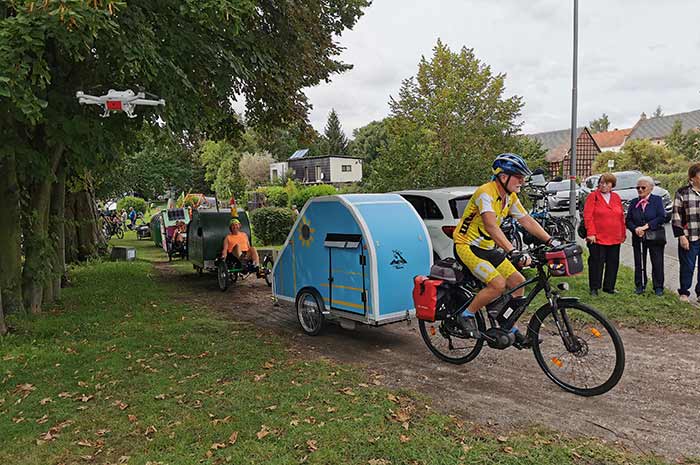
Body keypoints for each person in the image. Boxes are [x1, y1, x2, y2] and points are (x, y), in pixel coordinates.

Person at [453, 153, 555, 346]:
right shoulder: (486, 192)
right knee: (498, 285)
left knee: (518, 282)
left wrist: (551, 241)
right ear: (503, 176)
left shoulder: (510, 197)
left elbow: (526, 220)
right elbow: (491, 225)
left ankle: (507, 324)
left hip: (487, 247)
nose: (522, 182)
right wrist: (512, 250)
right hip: (467, 245)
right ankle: (466, 315)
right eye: (518, 177)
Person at [583, 173, 626, 296]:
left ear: (612, 185)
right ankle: (594, 287)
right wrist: (591, 233)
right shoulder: (593, 196)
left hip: (614, 236)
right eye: (601, 182)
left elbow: (621, 216)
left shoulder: (616, 197)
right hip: (597, 237)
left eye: (606, 183)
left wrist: (622, 233)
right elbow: (588, 216)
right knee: (597, 262)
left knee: (613, 262)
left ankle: (609, 286)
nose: (603, 185)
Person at [626, 176, 666, 296]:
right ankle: (640, 285)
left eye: (643, 187)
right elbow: (628, 220)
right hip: (638, 236)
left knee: (657, 262)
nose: (640, 190)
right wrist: (636, 229)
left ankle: (658, 287)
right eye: (638, 187)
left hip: (654, 236)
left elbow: (661, 217)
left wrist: (646, 227)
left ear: (651, 188)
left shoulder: (657, 200)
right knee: (639, 262)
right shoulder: (633, 202)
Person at [672, 162, 700, 302]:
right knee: (687, 266)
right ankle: (684, 292)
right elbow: (676, 216)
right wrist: (681, 236)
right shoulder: (682, 192)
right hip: (690, 237)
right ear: (693, 177)